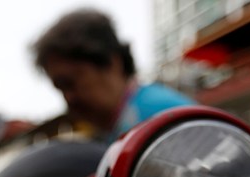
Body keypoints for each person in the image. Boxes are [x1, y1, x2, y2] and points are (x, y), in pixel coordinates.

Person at [32, 8, 195, 144]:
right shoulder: (122, 126)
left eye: (71, 82)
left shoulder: (161, 118)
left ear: (112, 62)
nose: (69, 98)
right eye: (60, 88)